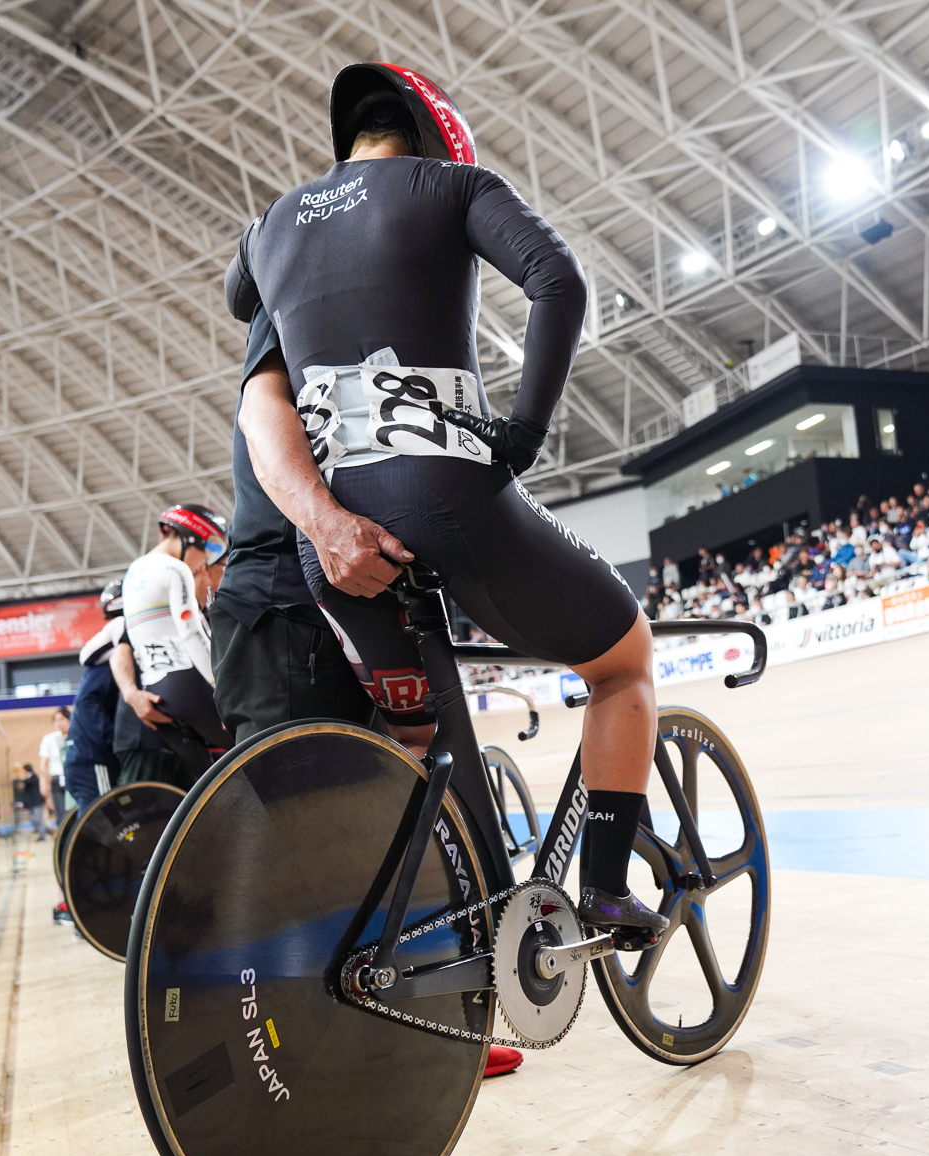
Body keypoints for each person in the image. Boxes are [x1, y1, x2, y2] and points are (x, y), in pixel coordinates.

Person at [225, 61, 663, 936]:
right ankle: (607, 889)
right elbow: (559, 281)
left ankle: (453, 935)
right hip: (444, 494)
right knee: (624, 663)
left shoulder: (268, 229)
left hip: (334, 545)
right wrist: (525, 431)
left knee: (419, 739)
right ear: (428, 139)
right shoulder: (453, 185)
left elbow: (242, 298)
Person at [211, 305, 378, 744]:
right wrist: (326, 525)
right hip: (285, 608)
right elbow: (260, 413)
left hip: (353, 607)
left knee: (378, 794)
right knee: (302, 804)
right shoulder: (298, 289)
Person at [112, 503, 231, 788]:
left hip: (158, 691)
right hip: (187, 681)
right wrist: (221, 688)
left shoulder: (133, 572)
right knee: (254, 748)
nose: (205, 562)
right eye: (209, 550)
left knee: (208, 781)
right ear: (191, 538)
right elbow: (192, 635)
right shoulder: (175, 569)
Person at [62, 582, 124, 814]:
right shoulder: (110, 660)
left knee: (97, 826)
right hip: (93, 760)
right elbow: (87, 702)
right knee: (108, 824)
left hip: (85, 758)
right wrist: (113, 738)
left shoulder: (102, 660)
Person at [37, 706, 70, 829]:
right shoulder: (49, 739)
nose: (58, 723)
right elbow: (43, 763)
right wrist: (43, 783)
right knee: (61, 816)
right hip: (57, 780)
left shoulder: (76, 736)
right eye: (55, 721)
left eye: (62, 719)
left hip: (73, 778)